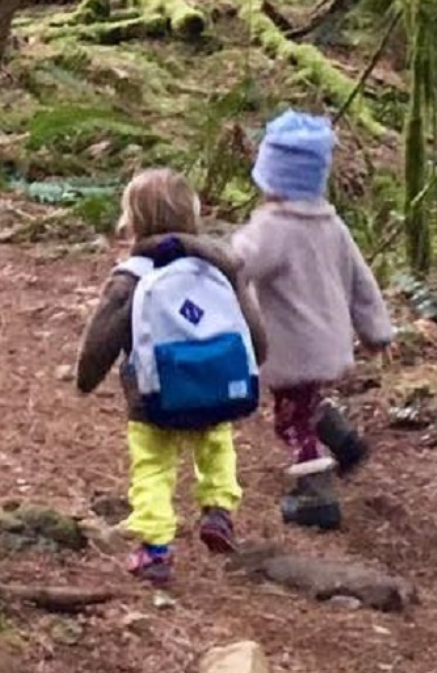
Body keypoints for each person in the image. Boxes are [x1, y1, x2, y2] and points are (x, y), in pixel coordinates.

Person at [75, 168, 267, 586]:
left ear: (133, 220)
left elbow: (101, 337)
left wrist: (86, 377)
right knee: (216, 445)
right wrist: (257, 360)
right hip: (217, 386)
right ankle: (218, 509)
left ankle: (155, 549)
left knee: (153, 468)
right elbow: (253, 331)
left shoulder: (132, 275)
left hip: (153, 398)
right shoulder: (221, 266)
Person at [233, 110, 394, 531]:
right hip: (328, 340)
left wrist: (201, 267)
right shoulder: (332, 223)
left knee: (290, 421)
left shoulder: (273, 228)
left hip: (292, 345)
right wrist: (376, 329)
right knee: (305, 403)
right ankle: (344, 442)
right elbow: (362, 279)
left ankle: (316, 495)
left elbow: (237, 265)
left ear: (271, 177)